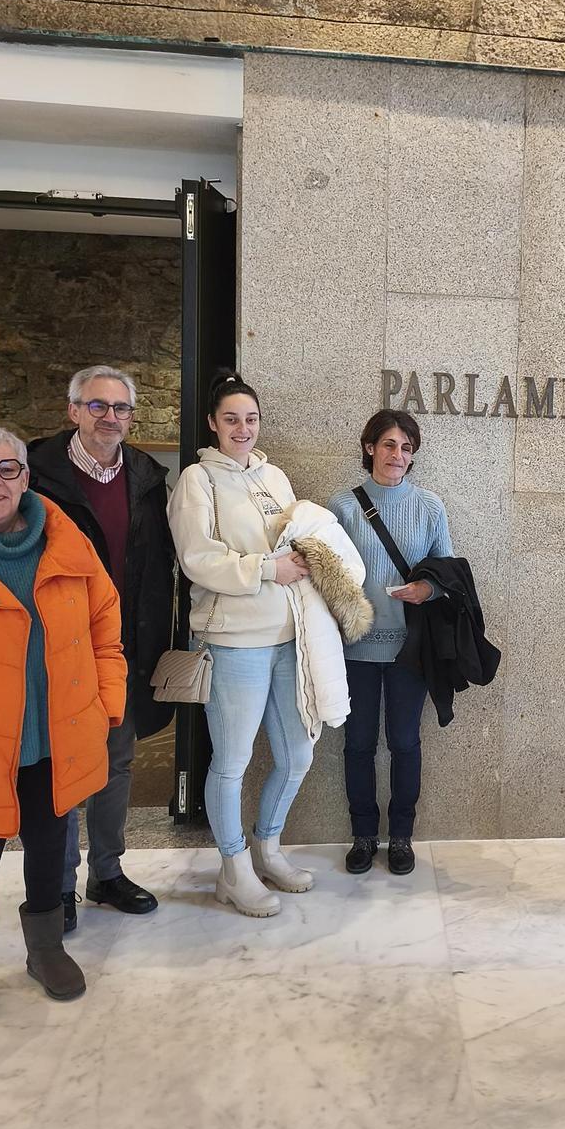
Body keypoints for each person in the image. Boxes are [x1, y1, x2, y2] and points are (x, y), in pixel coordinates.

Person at [0, 426, 126, 1032]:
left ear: (26, 475)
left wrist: (103, 709)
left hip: (53, 736)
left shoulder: (68, 546)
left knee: (49, 845)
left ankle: (45, 950)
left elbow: (105, 630)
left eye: (8, 468)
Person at [29, 365, 173, 931]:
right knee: (66, 766)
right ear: (74, 411)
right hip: (60, 644)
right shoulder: (38, 475)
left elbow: (157, 565)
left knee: (117, 761)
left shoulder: (144, 475)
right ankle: (57, 885)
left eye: (120, 409)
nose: (109, 417)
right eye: (97, 406)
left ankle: (106, 873)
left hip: (125, 644)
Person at [167, 371, 316, 917]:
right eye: (231, 418)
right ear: (213, 423)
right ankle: (233, 870)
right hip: (232, 640)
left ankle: (267, 848)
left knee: (297, 754)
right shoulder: (197, 481)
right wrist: (266, 568)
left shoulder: (274, 476)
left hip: (285, 638)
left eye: (250, 418)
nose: (243, 428)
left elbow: (296, 543)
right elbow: (197, 559)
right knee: (230, 762)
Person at [328, 410, 453, 876]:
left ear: (413, 454)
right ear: (369, 448)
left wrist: (428, 590)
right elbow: (325, 573)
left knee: (404, 742)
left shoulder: (430, 506)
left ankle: (401, 836)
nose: (396, 455)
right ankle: (363, 835)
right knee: (357, 744)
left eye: (405, 447)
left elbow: (449, 575)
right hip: (354, 647)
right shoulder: (341, 506)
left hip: (410, 650)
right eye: (387, 445)